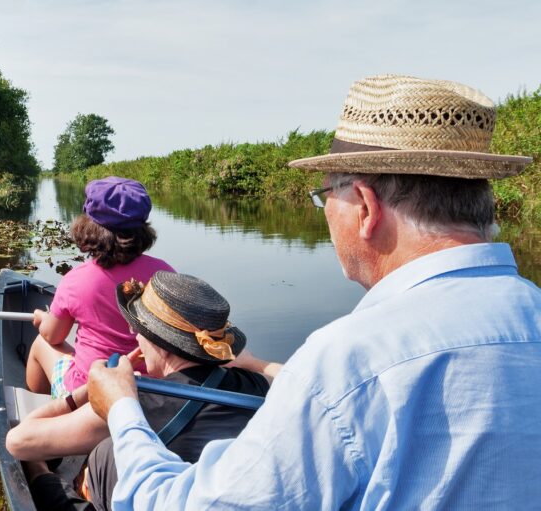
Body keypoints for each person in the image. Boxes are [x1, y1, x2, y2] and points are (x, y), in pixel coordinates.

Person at [87, 74, 541, 509]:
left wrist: (123, 411)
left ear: (365, 207)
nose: (325, 213)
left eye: (325, 196)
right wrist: (272, 369)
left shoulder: (348, 361)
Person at [9, 271, 269, 510]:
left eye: (140, 327)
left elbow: (19, 441)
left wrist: (91, 391)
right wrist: (254, 363)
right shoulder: (259, 385)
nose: (133, 331)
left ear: (164, 345)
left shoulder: (139, 404)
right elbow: (292, 373)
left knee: (37, 466)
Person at [27, 176, 174, 397]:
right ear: (143, 229)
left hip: (91, 392)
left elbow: (53, 336)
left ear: (89, 228)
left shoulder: (75, 280)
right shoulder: (165, 273)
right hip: (148, 389)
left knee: (41, 343)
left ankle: (51, 405)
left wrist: (42, 320)